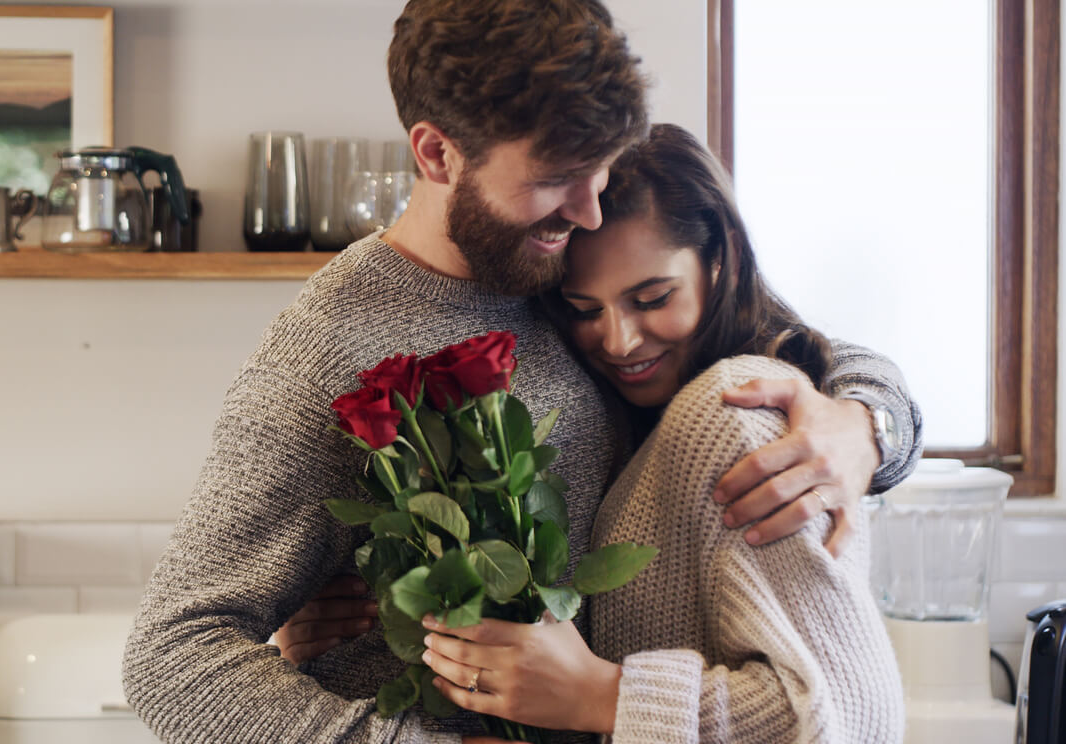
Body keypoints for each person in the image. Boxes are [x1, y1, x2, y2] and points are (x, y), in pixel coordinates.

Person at [123, 2, 921, 742]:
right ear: (437, 152)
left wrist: (866, 425)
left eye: (599, 168)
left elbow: (770, 345)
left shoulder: (560, 264)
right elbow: (172, 659)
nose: (588, 211)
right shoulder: (328, 350)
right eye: (552, 179)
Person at [285, 124, 908, 741]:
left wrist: (602, 698)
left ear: (722, 259)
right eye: (585, 310)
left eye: (653, 297)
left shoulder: (737, 410)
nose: (619, 341)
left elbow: (853, 717)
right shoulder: (616, 408)